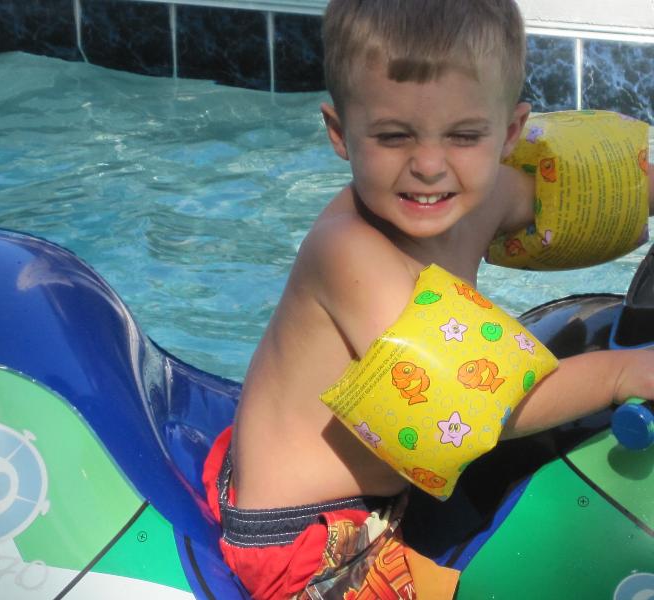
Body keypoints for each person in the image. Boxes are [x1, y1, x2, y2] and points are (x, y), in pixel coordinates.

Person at [202, 1, 654, 598]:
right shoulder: (351, 255)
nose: (430, 166)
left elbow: (586, 200)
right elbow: (478, 404)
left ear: (509, 134)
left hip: (390, 488)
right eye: (394, 136)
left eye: (464, 135)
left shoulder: (479, 197)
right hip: (312, 539)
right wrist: (624, 372)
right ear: (340, 133)